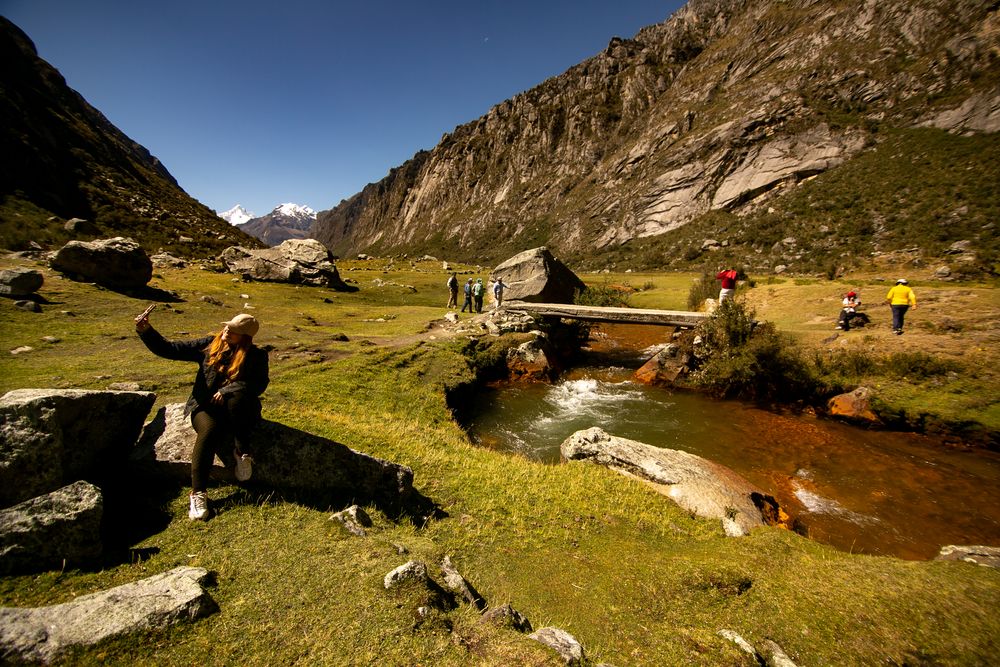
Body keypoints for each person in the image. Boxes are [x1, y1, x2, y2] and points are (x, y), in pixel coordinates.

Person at [135, 310, 269, 521]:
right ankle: (198, 493)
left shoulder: (257, 356)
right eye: (227, 326)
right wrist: (146, 331)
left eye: (233, 330)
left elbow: (258, 384)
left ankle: (242, 452)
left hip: (239, 408)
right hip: (205, 408)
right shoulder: (209, 345)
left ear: (245, 337)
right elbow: (171, 349)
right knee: (209, 431)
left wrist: (226, 391)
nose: (227, 330)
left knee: (237, 397)